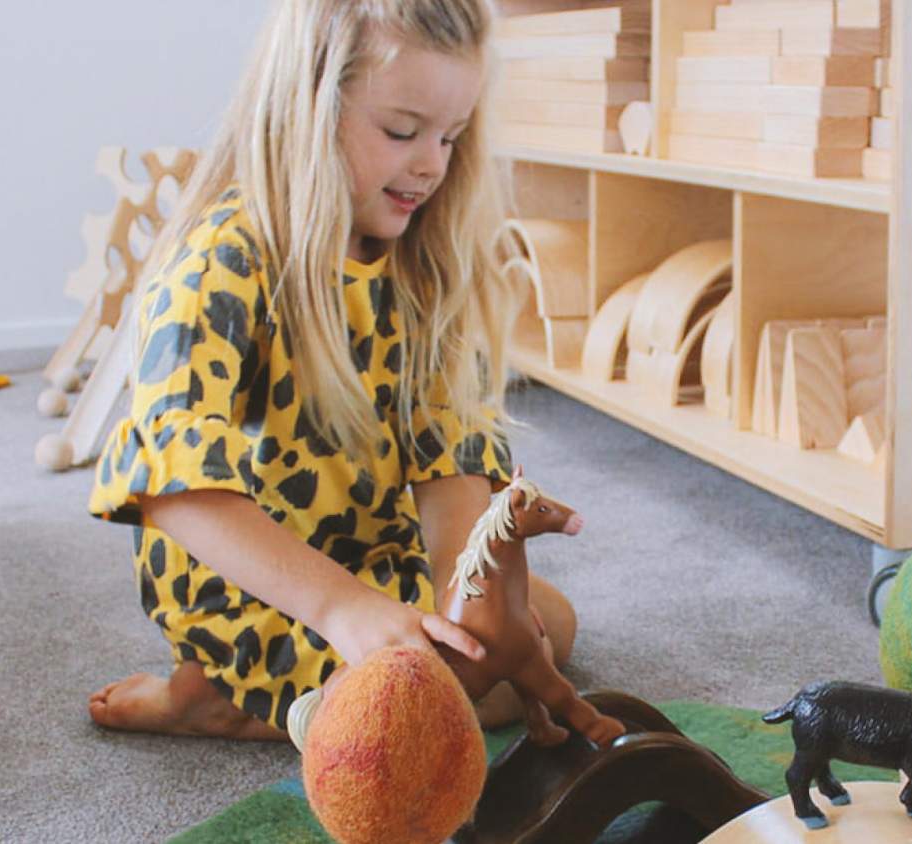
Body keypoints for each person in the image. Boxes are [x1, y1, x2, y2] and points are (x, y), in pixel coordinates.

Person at [86, 0, 567, 740]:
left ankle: (279, 700)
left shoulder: (420, 265)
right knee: (416, 712)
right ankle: (217, 696)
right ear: (305, 109)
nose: (432, 162)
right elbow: (170, 483)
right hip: (248, 580)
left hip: (369, 555)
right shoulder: (224, 260)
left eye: (450, 136)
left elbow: (448, 462)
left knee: (543, 634)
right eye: (402, 131)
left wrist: (461, 603)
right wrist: (341, 608)